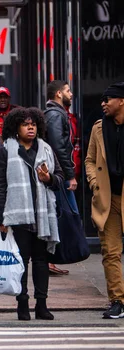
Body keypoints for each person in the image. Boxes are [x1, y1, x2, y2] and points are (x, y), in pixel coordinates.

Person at [0, 107, 63, 321]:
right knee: (21, 262)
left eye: (33, 124)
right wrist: (0, 218)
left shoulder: (46, 149)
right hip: (18, 216)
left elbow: (59, 178)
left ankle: (42, 305)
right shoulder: (6, 149)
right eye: (25, 124)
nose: (30, 127)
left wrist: (48, 179)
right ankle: (22, 304)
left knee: (41, 261)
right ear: (16, 127)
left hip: (43, 216)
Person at [85, 82, 124, 319]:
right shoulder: (98, 128)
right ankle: (117, 300)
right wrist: (94, 182)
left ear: (121, 101)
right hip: (107, 198)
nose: (103, 104)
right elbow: (90, 159)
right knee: (110, 252)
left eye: (107, 99)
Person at [44, 80, 77, 276]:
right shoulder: (56, 115)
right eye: (67, 90)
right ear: (58, 94)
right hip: (59, 175)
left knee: (58, 215)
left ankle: (51, 259)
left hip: (57, 173)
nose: (71, 94)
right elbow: (59, 147)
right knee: (63, 215)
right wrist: (70, 175)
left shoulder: (55, 114)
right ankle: (51, 259)